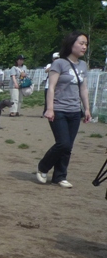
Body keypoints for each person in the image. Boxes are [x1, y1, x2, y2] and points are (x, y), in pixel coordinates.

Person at [36, 32, 91, 188]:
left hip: (75, 111)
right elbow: (51, 87)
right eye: (81, 43)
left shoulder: (82, 65)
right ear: (71, 43)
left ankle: (60, 176)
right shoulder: (59, 63)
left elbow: (83, 88)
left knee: (69, 146)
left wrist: (86, 109)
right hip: (59, 109)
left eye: (86, 44)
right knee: (63, 143)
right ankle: (42, 167)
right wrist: (50, 109)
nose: (84, 46)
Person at [42, 52, 60, 116]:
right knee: (47, 99)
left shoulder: (61, 66)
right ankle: (45, 112)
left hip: (58, 86)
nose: (57, 60)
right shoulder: (50, 65)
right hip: (48, 86)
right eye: (55, 58)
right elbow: (46, 70)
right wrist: (53, 65)